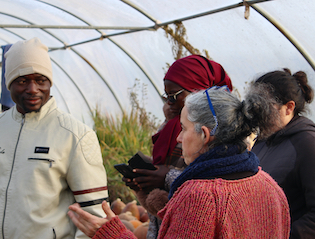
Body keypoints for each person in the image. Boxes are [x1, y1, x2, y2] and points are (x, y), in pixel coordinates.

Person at [68, 87, 291, 238]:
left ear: (205, 134)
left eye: (183, 129)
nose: (178, 138)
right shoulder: (269, 185)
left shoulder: (199, 196)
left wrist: (112, 233)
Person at [0, 37, 109, 239]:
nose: (33, 89)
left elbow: (94, 215)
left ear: (49, 82)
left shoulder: (75, 135)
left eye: (40, 80)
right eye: (23, 80)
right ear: (9, 84)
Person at [123, 55, 232, 238]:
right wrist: (144, 178)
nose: (169, 102)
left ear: (200, 91)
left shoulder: (223, 133)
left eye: (174, 95)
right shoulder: (170, 126)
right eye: (166, 96)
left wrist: (166, 176)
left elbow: (215, 189)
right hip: (163, 225)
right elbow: (171, 165)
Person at [251, 69, 315, 239]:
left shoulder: (307, 144)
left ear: (289, 107)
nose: (255, 111)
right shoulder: (262, 141)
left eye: (263, 104)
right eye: (253, 103)